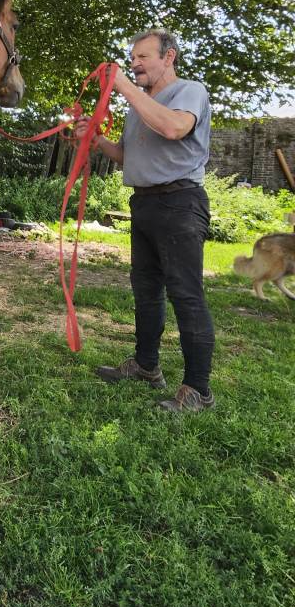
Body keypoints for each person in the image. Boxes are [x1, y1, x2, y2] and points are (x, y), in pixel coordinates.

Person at [75, 29, 215, 413]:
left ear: (168, 57)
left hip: (180, 202)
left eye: (142, 57)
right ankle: (147, 366)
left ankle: (198, 390)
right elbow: (129, 156)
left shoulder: (190, 90)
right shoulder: (139, 105)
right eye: (131, 58)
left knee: (186, 295)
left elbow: (173, 128)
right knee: (146, 290)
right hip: (145, 204)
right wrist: (95, 139)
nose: (134, 63)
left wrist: (122, 86)